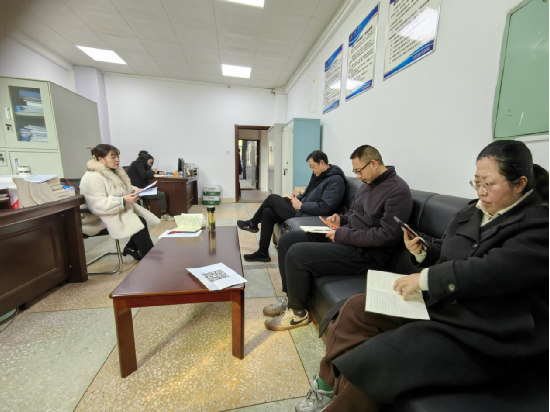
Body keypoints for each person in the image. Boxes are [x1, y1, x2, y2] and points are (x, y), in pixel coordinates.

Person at [294, 140, 549, 412]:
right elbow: (448, 249)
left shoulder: (537, 225)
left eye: (489, 184)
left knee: (376, 360)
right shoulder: (475, 210)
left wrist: (425, 279)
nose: (481, 192)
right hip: (441, 304)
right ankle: (326, 386)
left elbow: (491, 270)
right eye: (476, 183)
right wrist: (423, 251)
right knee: (355, 309)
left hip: (480, 329)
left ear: (520, 184)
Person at [265, 145, 413, 331]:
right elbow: (354, 214)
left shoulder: (398, 191)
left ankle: (298, 314)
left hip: (368, 254)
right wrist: (340, 219)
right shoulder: (368, 185)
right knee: (288, 241)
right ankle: (290, 298)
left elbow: (387, 235)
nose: (358, 176)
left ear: (373, 163)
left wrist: (342, 234)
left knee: (297, 253)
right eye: (355, 171)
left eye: (359, 171)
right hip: (348, 238)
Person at [237, 150, 346, 263]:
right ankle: (263, 252)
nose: (312, 170)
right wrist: (296, 198)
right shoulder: (318, 175)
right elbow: (306, 193)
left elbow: (326, 207)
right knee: (268, 212)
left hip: (308, 216)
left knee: (272, 198)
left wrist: (301, 205)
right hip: (302, 210)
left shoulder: (335, 181)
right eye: (310, 167)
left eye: (313, 166)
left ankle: (252, 223)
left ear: (322, 162)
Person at [80, 145, 160, 261]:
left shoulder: (114, 172)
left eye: (117, 156)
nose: (117, 160)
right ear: (100, 159)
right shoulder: (92, 177)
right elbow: (97, 205)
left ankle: (131, 248)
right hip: (98, 218)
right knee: (138, 221)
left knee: (141, 219)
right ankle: (150, 258)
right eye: (112, 157)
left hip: (116, 211)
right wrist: (122, 201)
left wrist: (135, 190)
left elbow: (121, 188)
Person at [127, 151, 169, 218]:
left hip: (140, 188)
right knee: (161, 195)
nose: (150, 164)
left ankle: (159, 213)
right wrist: (153, 171)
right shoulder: (138, 163)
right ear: (146, 159)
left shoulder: (139, 164)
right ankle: (164, 215)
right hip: (137, 190)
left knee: (158, 190)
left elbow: (147, 171)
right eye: (150, 162)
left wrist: (157, 172)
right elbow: (144, 174)